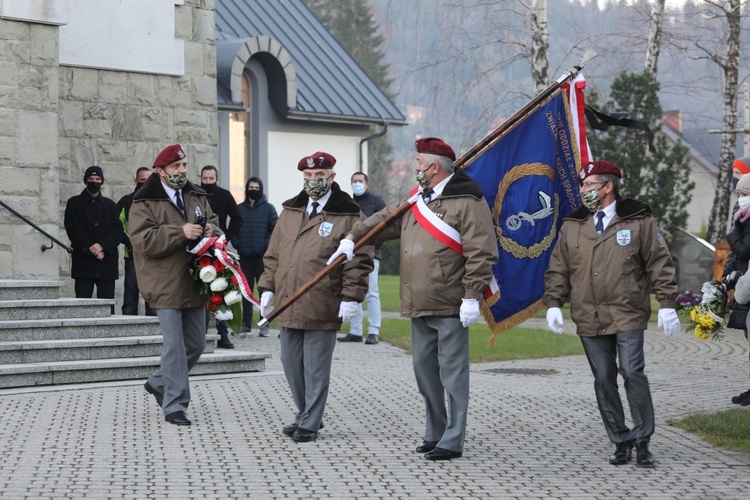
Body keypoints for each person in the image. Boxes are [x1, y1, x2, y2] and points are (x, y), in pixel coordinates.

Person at [328, 137, 498, 461]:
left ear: (434, 167)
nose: (415, 168)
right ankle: (435, 431)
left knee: (453, 374)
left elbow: (482, 251)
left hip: (450, 301)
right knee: (425, 373)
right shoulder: (418, 199)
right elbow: (384, 220)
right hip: (417, 300)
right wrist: (353, 236)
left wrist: (472, 296)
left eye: (419, 163)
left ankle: (453, 438)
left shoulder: (468, 200)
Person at [543, 159, 681, 468]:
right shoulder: (573, 224)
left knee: (632, 372)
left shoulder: (638, 219)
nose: (583, 191)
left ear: (608, 187)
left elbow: (659, 262)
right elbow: (559, 268)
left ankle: (643, 440)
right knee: (603, 378)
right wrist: (554, 302)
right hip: (588, 314)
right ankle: (620, 439)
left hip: (627, 311)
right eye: (582, 185)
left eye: (589, 185)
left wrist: (668, 303)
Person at [258, 151, 373, 442]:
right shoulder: (291, 210)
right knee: (290, 362)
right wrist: (267, 287)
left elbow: (359, 259)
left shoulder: (349, 215)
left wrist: (351, 297)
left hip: (323, 298)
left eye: (320, 176)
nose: (313, 181)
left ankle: (310, 420)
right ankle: (305, 412)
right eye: (308, 176)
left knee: (315, 367)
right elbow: (273, 254)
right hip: (289, 299)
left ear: (332, 177)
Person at [130, 144, 220, 426]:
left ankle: (159, 382)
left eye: (184, 166)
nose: (183, 171)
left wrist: (210, 231)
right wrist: (179, 232)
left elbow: (215, 224)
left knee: (196, 343)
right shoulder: (143, 201)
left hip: (195, 280)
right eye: (176, 167)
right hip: (163, 283)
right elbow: (143, 241)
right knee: (174, 347)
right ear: (161, 172)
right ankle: (174, 405)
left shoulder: (195, 194)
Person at [64, 165, 122, 314]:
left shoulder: (110, 205)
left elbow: (117, 231)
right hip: (84, 262)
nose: (94, 182)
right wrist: (92, 248)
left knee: (107, 307)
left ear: (102, 181)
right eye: (91, 179)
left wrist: (102, 246)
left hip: (106, 262)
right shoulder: (74, 203)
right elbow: (74, 229)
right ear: (85, 181)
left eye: (97, 179)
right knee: (82, 305)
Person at [337, 172, 387, 345]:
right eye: (354, 181)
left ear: (367, 184)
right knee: (353, 290)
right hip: (351, 255)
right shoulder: (348, 204)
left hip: (372, 254)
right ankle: (355, 331)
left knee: (372, 292)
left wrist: (372, 246)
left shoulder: (377, 202)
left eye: (360, 181)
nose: (357, 184)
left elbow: (383, 227)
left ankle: (374, 330)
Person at [200, 165, 243, 349]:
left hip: (219, 247)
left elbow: (237, 218)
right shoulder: (195, 195)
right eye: (205, 179)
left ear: (217, 179)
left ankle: (222, 333)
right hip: (199, 248)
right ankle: (200, 334)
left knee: (221, 289)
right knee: (200, 289)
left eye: (211, 179)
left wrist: (226, 237)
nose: (208, 182)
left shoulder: (225, 195)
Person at [232, 177, 277, 337]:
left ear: (261, 189)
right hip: (244, 257)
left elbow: (275, 230)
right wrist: (238, 244)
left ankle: (264, 324)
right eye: (251, 187)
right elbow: (234, 229)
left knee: (265, 291)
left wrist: (266, 245)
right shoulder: (239, 209)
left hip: (262, 258)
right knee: (246, 291)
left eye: (256, 187)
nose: (254, 189)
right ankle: (246, 324)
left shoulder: (269, 209)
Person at [723, 172, 750, 406]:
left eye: (742, 194)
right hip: (744, 281)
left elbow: (744, 251)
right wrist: (728, 273)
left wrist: (733, 235)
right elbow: (735, 255)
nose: (739, 198)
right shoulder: (742, 217)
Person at [116, 167, 157, 316]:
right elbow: (116, 225)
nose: (145, 184)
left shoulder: (160, 201)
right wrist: (128, 242)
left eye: (148, 181)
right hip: (132, 255)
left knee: (153, 297)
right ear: (135, 181)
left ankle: (154, 332)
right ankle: (127, 329)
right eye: (142, 181)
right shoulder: (126, 201)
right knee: (130, 295)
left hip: (154, 256)